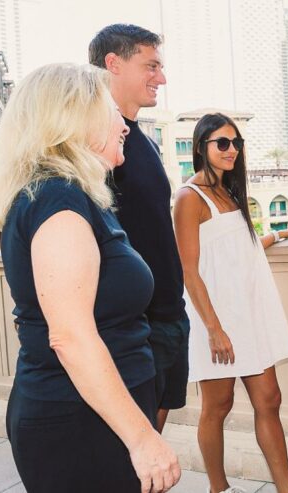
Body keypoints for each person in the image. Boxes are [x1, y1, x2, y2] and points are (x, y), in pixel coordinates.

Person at [0, 63, 181, 492]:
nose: (123, 125)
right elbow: (70, 337)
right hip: (79, 423)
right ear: (73, 119)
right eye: (110, 111)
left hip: (95, 412)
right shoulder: (58, 200)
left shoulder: (57, 194)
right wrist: (143, 439)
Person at [173, 112, 288, 493]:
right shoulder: (188, 198)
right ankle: (219, 488)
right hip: (216, 317)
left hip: (249, 314)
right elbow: (189, 271)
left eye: (236, 143)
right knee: (218, 405)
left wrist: (278, 237)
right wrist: (214, 329)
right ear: (201, 147)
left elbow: (237, 248)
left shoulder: (230, 191)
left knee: (270, 399)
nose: (232, 150)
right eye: (223, 143)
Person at [89, 24, 190, 433]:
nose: (161, 78)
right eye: (151, 66)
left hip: (167, 314)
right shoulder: (88, 140)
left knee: (151, 442)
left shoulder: (144, 140)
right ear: (113, 63)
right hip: (131, 325)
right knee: (130, 448)